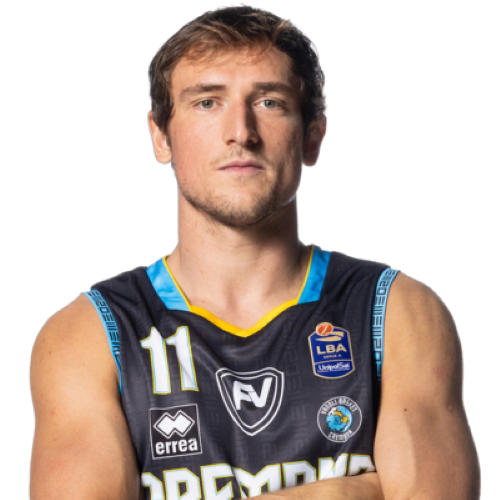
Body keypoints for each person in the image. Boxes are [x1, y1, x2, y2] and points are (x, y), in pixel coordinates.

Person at [29, 5, 480, 499]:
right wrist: (342, 494)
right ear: (160, 136)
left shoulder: (397, 313)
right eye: (207, 102)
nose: (241, 132)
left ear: (312, 138)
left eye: (269, 102)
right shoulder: (89, 335)